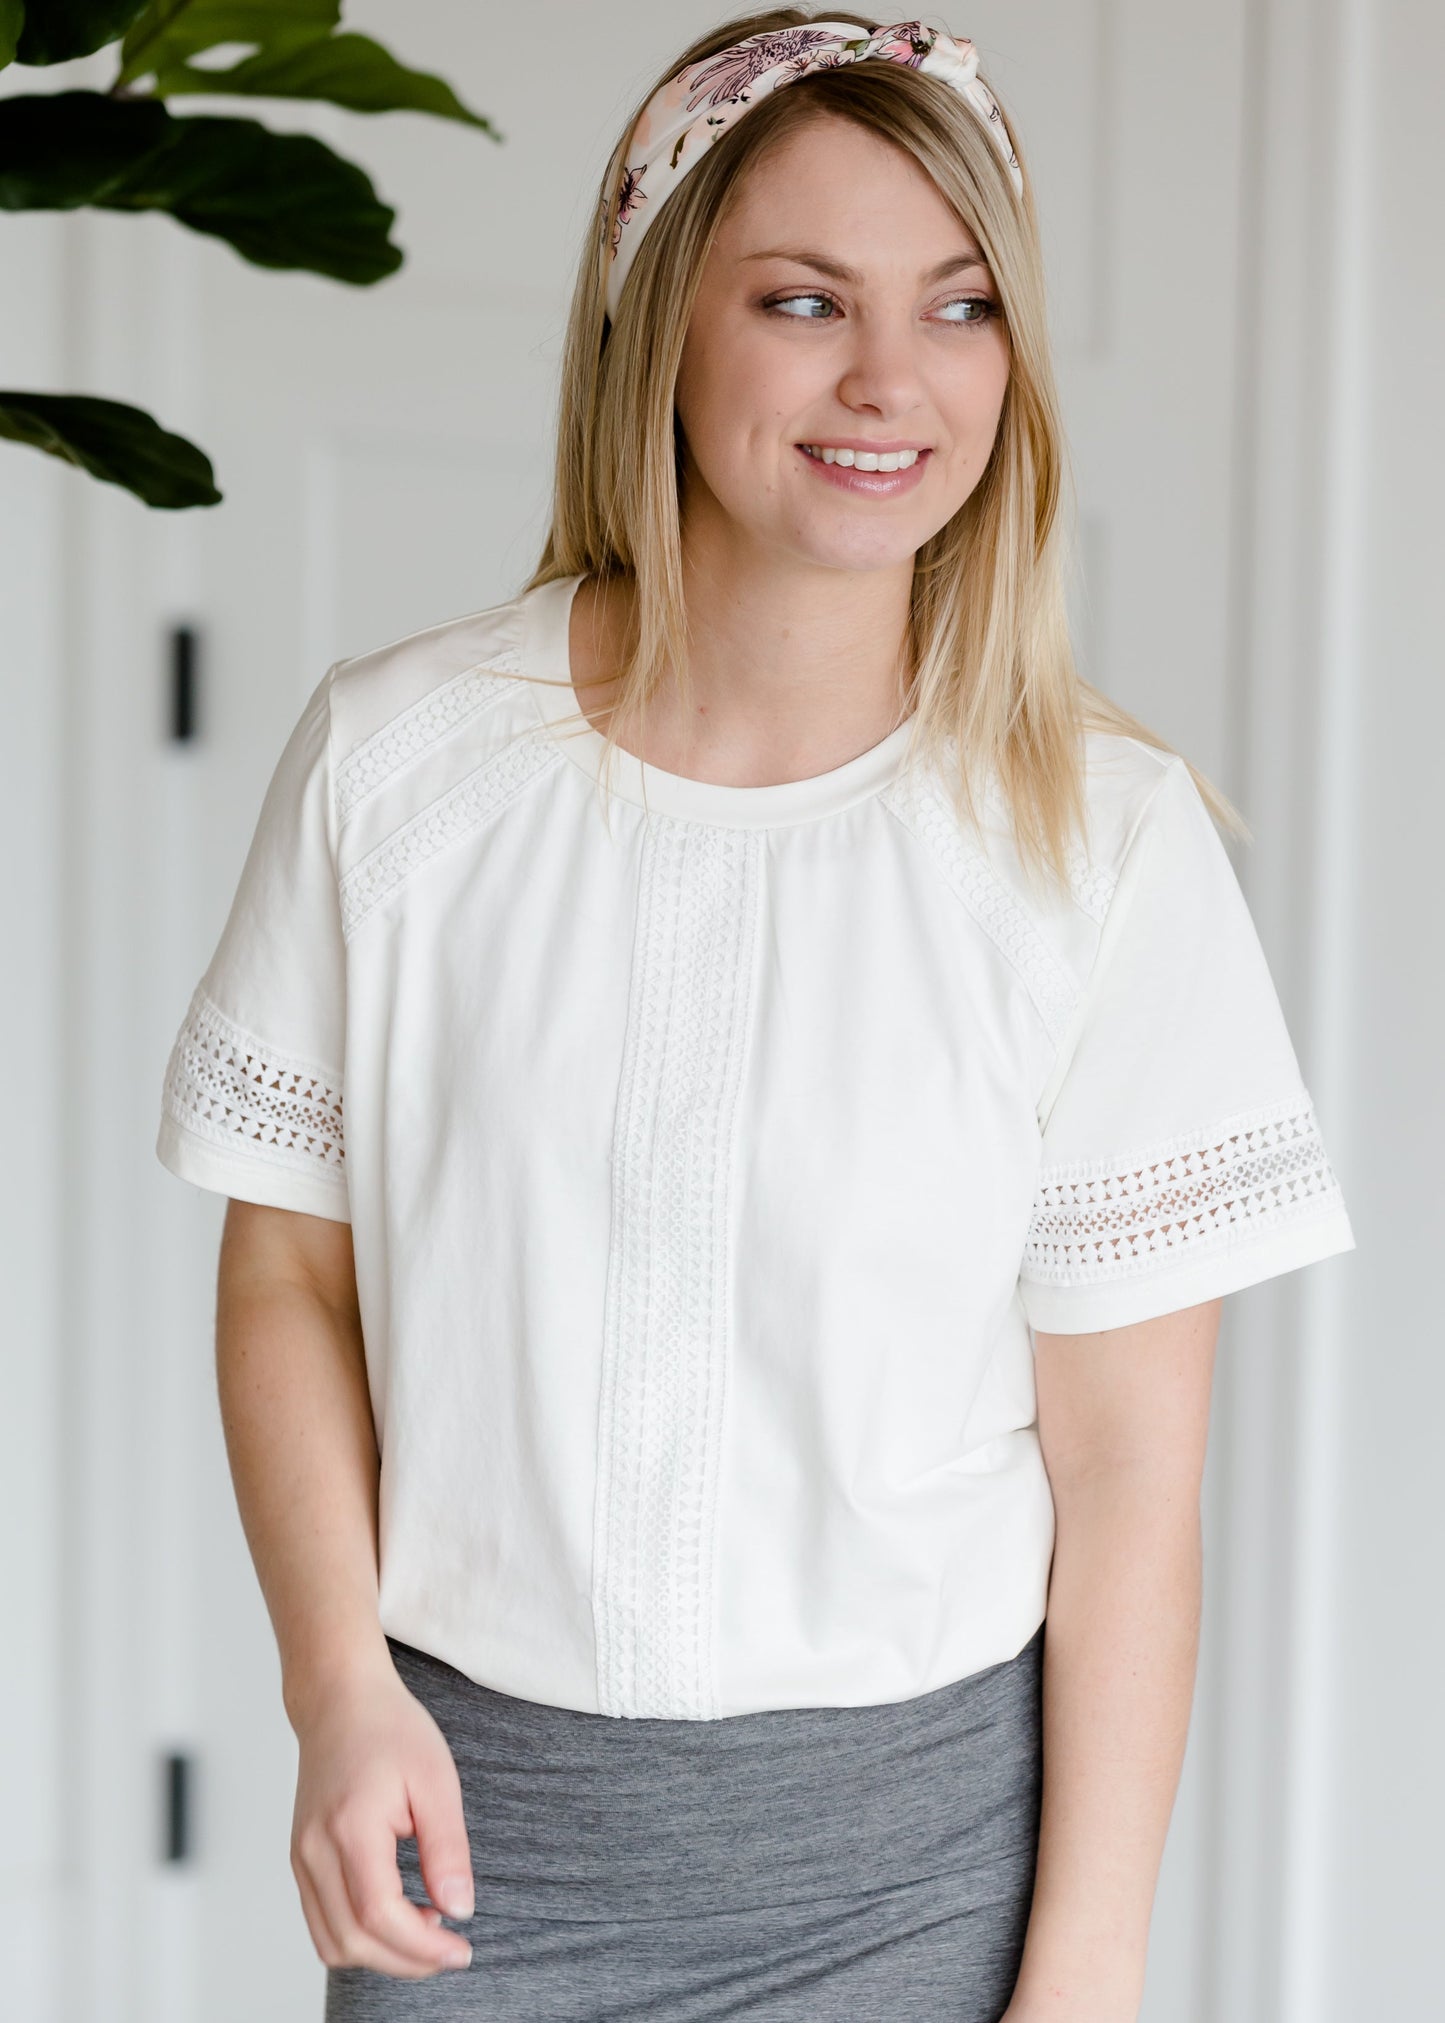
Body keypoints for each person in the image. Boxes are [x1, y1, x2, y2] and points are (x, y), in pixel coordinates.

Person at [154, 11, 1356, 2021]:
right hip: (476, 1842)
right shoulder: (402, 768)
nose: (893, 379)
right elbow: (287, 1266)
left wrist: (1088, 1971)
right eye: (804, 300)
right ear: (657, 326)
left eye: (960, 307)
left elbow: (1135, 1473)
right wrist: (336, 1688)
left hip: (922, 1883)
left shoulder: (1105, 847)